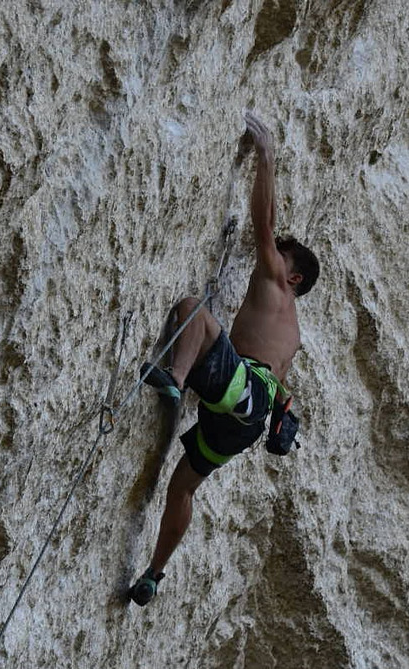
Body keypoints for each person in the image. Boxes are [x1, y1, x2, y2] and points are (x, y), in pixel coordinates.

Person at [130, 112, 320, 606]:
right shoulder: (291, 334)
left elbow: (265, 225)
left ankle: (173, 380)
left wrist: (266, 156)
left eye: (285, 254)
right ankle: (153, 573)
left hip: (246, 391)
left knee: (192, 309)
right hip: (246, 421)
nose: (275, 253)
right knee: (182, 488)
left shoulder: (278, 281)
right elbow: (277, 389)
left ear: (293, 277)